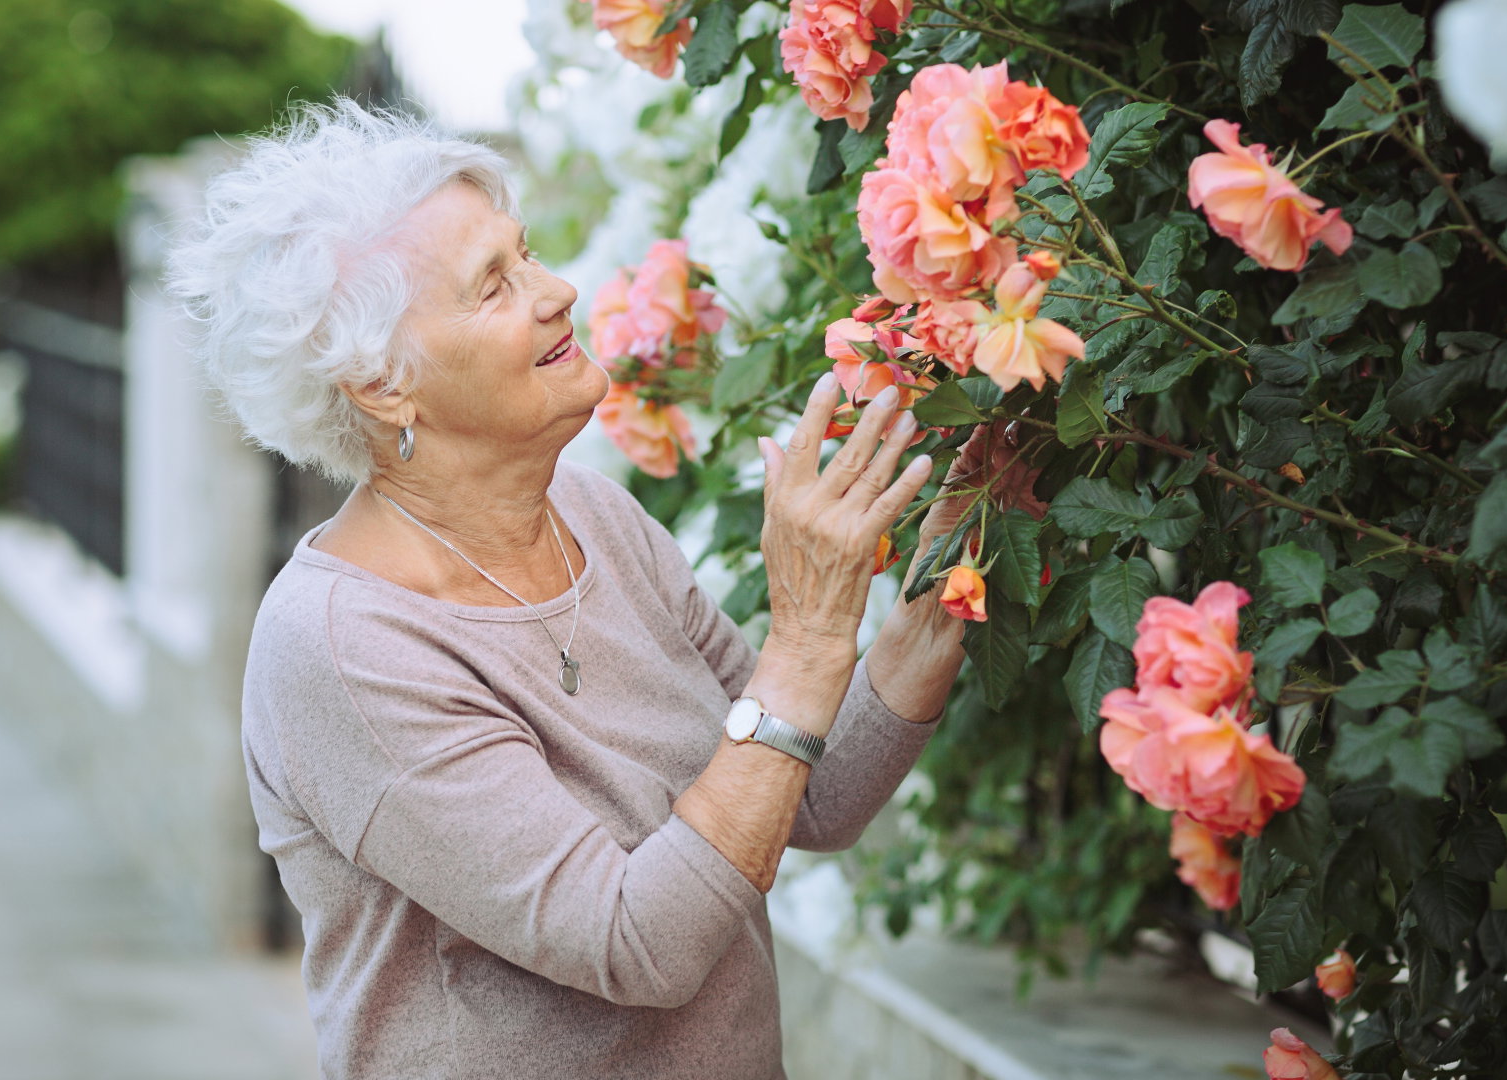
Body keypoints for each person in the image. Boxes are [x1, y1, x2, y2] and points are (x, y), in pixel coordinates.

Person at [166, 99, 969, 1080]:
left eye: (528, 254)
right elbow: (636, 945)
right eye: (492, 286)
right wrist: (805, 641)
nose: (557, 292)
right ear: (383, 383)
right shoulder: (343, 646)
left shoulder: (592, 515)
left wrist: (938, 602)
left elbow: (811, 795)